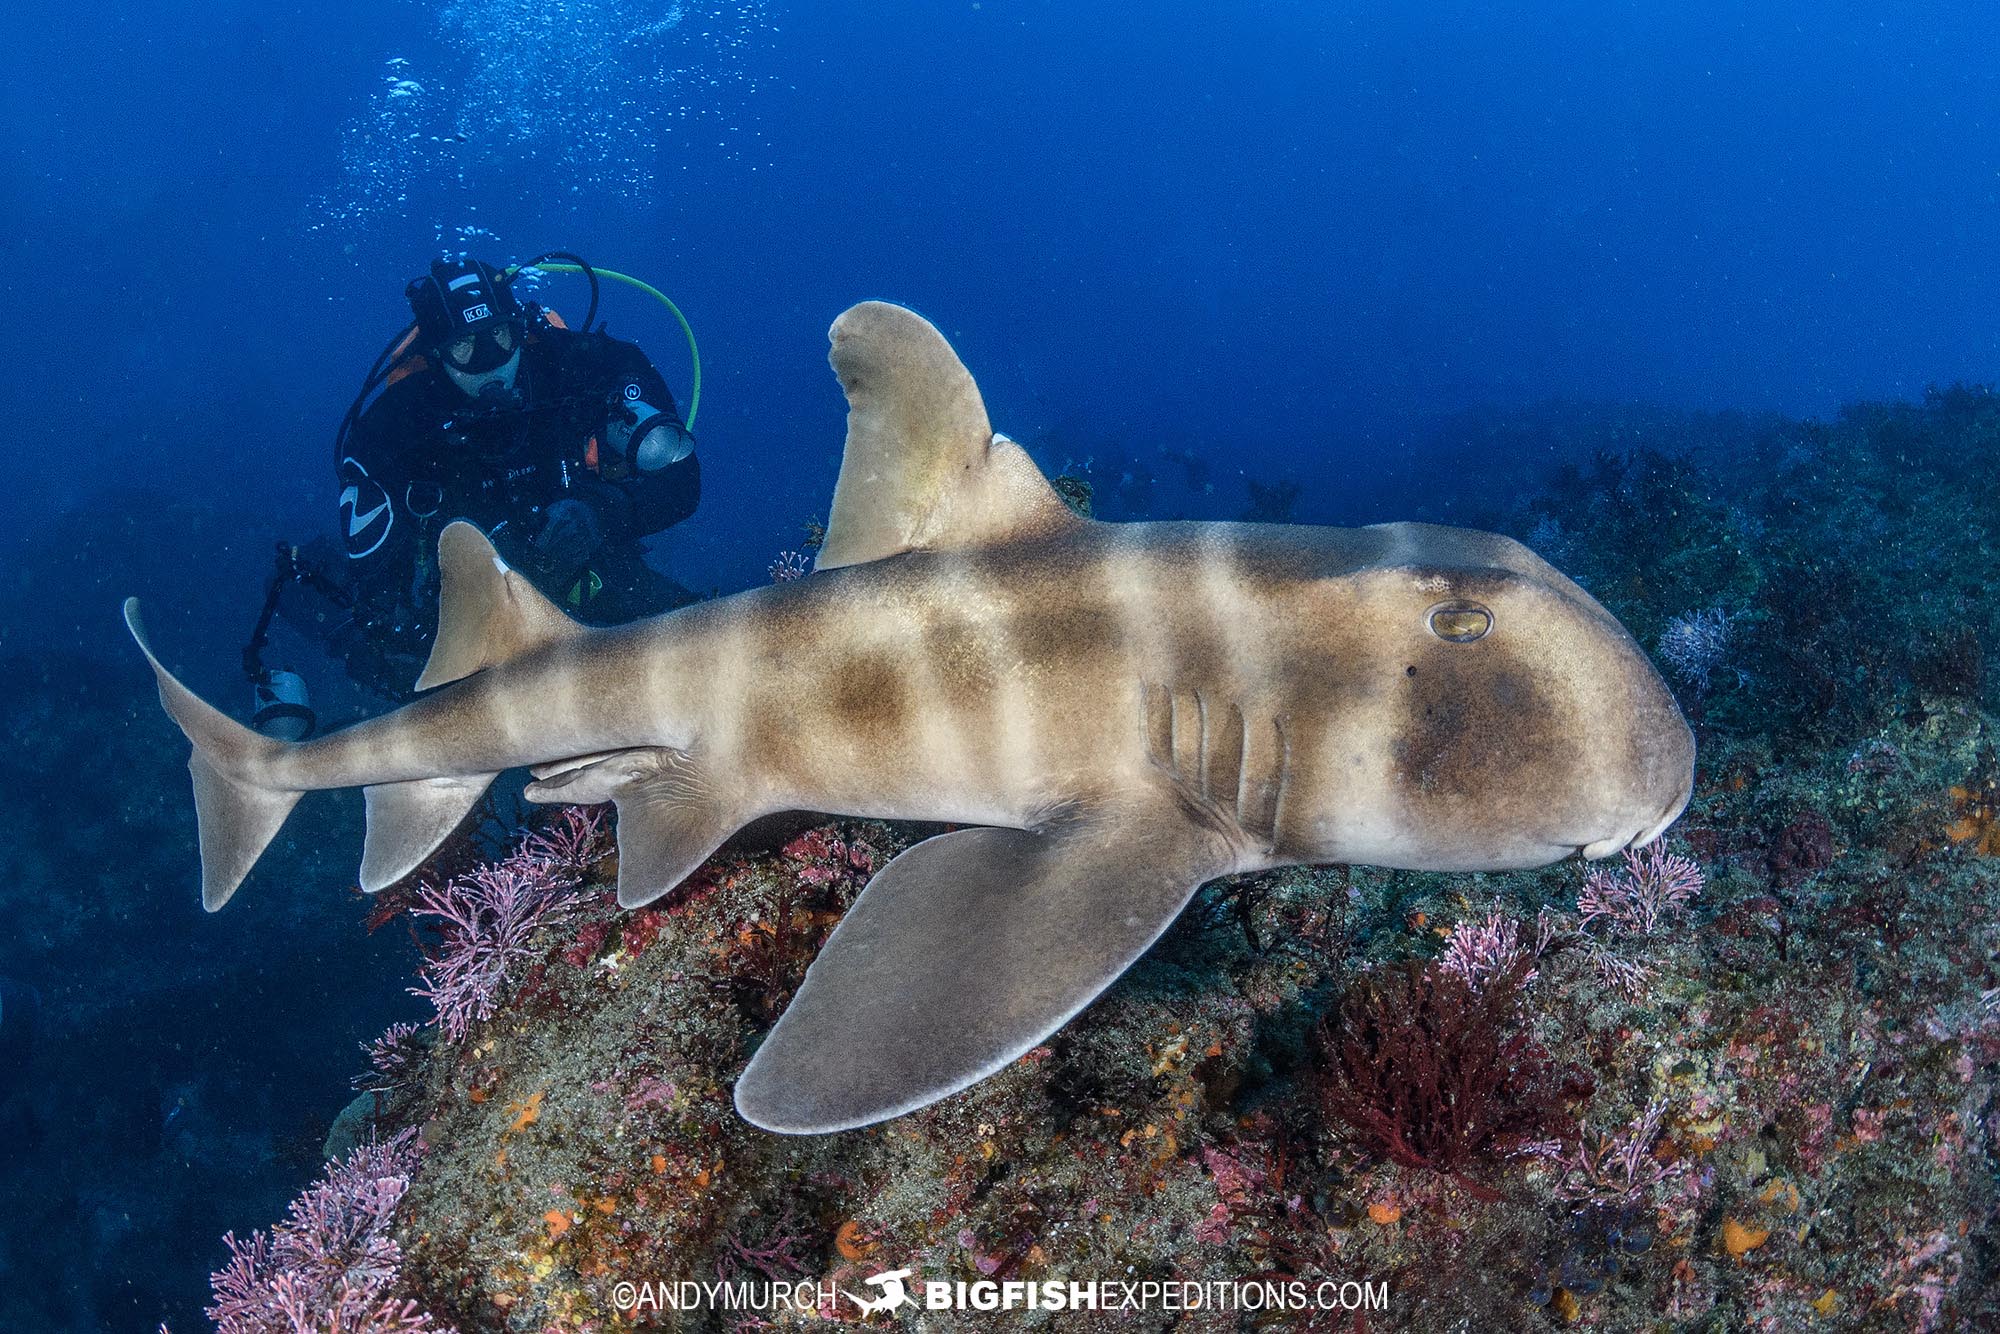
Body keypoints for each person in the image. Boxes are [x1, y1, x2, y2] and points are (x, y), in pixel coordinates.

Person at [322, 256, 701, 701]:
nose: (489, 365)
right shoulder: (390, 429)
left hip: (589, 572)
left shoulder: (585, 370)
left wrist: (603, 510)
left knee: (695, 652)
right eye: (464, 347)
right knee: (390, 662)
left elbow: (683, 481)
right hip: (464, 614)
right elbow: (379, 591)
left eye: (499, 337)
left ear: (519, 329)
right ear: (436, 352)